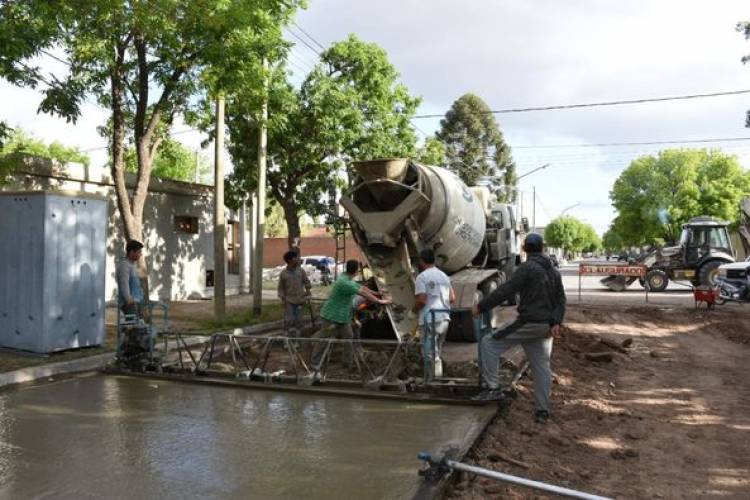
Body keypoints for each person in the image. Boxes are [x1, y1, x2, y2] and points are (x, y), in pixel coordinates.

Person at [472, 233, 566, 424]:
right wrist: (556, 321)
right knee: (541, 368)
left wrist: (481, 307)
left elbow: (506, 290)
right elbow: (561, 299)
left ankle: (492, 388)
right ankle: (542, 410)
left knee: (488, 343)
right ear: (542, 247)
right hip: (545, 326)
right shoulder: (553, 271)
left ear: (524, 249)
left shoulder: (527, 268)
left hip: (529, 322)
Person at [311, 260, 390, 370]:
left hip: (343, 316)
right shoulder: (345, 283)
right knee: (325, 339)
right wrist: (379, 301)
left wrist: (377, 293)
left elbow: (362, 288)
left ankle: (347, 362)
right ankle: (315, 363)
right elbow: (362, 293)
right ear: (356, 271)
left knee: (349, 337)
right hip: (332, 316)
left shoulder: (346, 278)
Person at [413, 248, 455, 381]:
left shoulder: (422, 277)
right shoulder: (444, 276)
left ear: (421, 261)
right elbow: (452, 297)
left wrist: (412, 311)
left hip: (429, 319)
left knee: (429, 352)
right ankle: (438, 377)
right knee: (437, 350)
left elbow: (422, 300)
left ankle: (431, 380)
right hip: (444, 318)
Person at [277, 250, 312, 336]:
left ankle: (297, 339)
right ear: (290, 260)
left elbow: (307, 282)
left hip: (300, 300)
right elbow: (281, 288)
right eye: (295, 258)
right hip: (289, 301)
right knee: (289, 320)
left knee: (299, 321)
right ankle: (287, 339)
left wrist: (308, 291)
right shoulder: (283, 274)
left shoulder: (301, 271)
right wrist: (283, 298)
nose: (298, 259)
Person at [116, 239, 145, 316]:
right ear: (132, 252)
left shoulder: (132, 265)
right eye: (139, 252)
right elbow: (124, 283)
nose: (140, 254)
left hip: (135, 302)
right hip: (129, 304)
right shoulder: (124, 265)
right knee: (134, 326)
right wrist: (128, 299)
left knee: (138, 325)